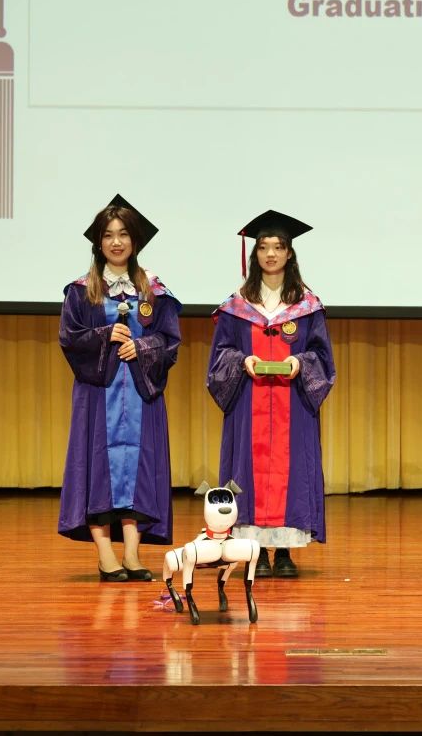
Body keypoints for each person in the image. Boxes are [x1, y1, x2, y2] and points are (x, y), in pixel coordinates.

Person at [58, 194, 181, 582]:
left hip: (141, 396)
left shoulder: (154, 291)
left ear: (135, 240)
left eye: (123, 234)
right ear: (98, 242)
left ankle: (131, 553)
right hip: (99, 397)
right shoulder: (81, 291)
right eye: (108, 235)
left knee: (140, 471)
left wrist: (142, 347)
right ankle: (105, 555)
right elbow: (70, 338)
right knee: (97, 470)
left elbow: (169, 341)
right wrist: (105, 335)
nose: (116, 242)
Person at [206, 210, 335, 578]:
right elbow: (220, 355)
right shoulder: (238, 306)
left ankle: (286, 552)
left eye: (278, 247)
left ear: (289, 253)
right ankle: (257, 551)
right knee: (250, 470)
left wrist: (300, 363)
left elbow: (322, 357)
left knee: (291, 471)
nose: (271, 254)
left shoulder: (307, 306)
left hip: (293, 404)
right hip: (250, 403)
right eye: (263, 247)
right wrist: (242, 360)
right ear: (255, 254)